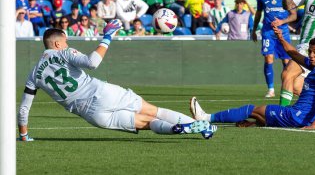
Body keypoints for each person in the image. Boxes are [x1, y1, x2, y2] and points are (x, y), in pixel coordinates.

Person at [17, 24, 217, 141]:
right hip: (101, 94)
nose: (67, 44)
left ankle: (177, 129)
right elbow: (92, 62)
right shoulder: (64, 52)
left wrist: (24, 136)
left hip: (92, 116)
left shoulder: (34, 74)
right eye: (66, 41)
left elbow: (24, 109)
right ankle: (200, 126)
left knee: (146, 123)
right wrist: (107, 37)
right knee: (154, 111)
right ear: (58, 43)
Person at [190, 35, 315, 130]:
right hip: (299, 116)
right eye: (310, 51)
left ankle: (206, 117)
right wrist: (280, 38)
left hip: (296, 117)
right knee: (259, 114)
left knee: (250, 109)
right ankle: (254, 123)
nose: (311, 55)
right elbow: (294, 54)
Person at [252, 0, 297, 98]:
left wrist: (282, 21)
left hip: (283, 32)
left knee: (286, 61)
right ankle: (271, 90)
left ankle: (287, 88)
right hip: (268, 32)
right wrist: (254, 29)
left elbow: (294, 15)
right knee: (268, 58)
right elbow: (258, 13)